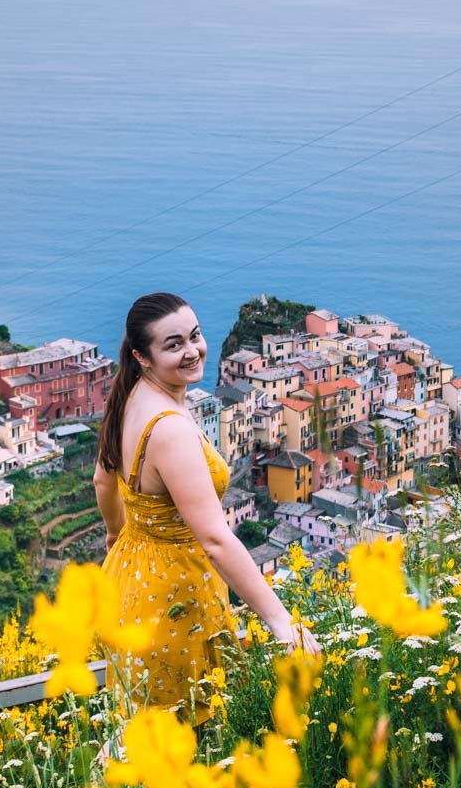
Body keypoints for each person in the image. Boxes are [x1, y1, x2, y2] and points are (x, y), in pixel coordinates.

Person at [93, 292, 321, 725]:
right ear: (142, 356)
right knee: (188, 730)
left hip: (128, 578)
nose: (193, 350)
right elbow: (215, 539)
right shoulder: (170, 430)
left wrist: (114, 538)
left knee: (141, 726)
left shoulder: (128, 396)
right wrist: (280, 622)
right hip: (175, 596)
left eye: (195, 336)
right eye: (173, 344)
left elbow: (103, 480)